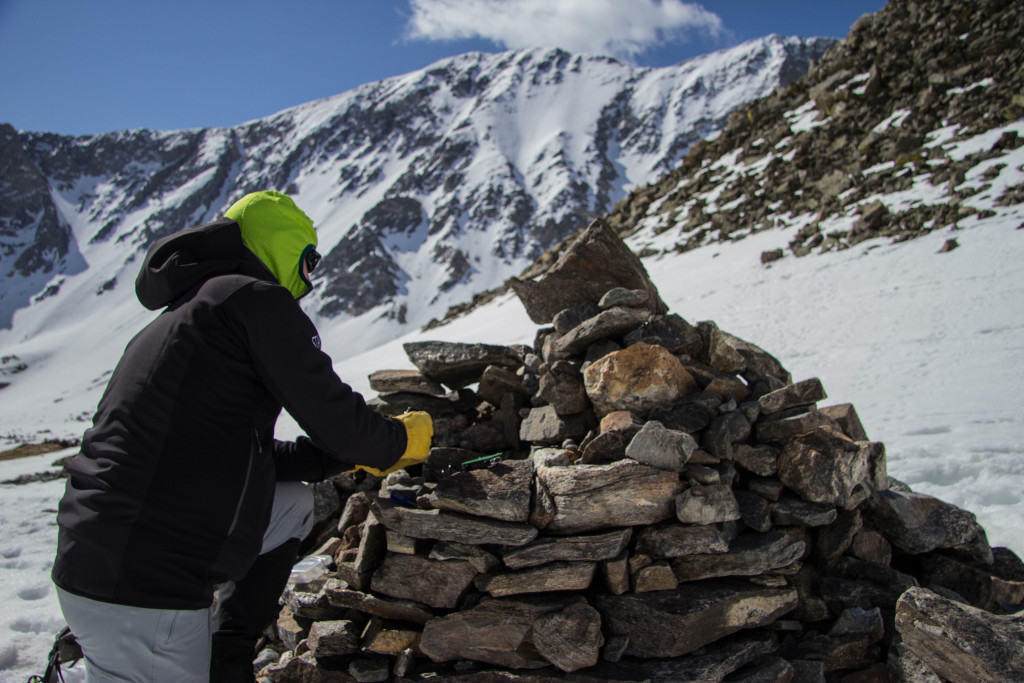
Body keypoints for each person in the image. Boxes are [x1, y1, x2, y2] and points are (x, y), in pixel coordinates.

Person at [51, 190, 433, 682]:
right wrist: (401, 441)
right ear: (283, 245)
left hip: (103, 553)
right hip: (143, 587)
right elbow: (334, 414)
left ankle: (226, 653)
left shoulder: (194, 311)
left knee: (290, 505)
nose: (310, 280)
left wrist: (328, 460)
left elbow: (227, 451)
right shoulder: (254, 299)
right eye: (308, 260)